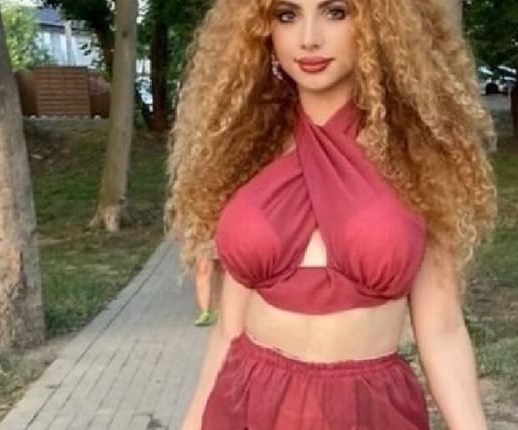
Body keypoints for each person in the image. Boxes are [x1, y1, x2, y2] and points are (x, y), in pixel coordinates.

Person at [165, 0, 497, 428]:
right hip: (248, 402)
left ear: (378, 24)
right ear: (263, 29)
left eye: (335, 12)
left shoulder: (416, 156)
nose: (309, 39)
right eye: (287, 15)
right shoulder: (250, 147)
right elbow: (229, 331)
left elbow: (442, 330)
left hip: (365, 410)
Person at [193, 242, 221, 327]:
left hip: (223, 237)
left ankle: (220, 307)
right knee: (202, 269)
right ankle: (205, 312)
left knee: (222, 268)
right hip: (203, 237)